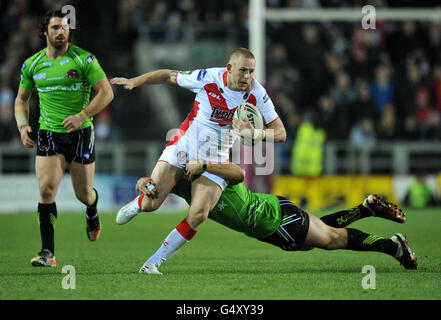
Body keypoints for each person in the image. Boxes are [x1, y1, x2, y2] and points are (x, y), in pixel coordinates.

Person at [111, 48, 286, 268]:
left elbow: (281, 133)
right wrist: (135, 82)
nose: (247, 77)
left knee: (199, 214)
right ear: (229, 68)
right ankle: (138, 204)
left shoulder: (257, 93)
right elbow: (167, 75)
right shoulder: (207, 78)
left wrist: (256, 134)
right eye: (243, 71)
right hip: (184, 146)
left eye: (251, 71)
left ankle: (152, 263)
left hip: (216, 159)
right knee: (152, 203)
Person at [127, 161, 416, 274]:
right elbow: (157, 187)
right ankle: (364, 209)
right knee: (316, 237)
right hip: (274, 215)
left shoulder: (213, 175)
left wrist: (205, 164)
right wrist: (145, 182)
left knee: (331, 240)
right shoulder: (184, 186)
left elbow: (237, 173)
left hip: (277, 222)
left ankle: (395, 247)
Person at [14, 10, 114, 267]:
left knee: (83, 194)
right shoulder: (32, 64)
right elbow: (21, 100)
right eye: (56, 27)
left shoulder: (84, 60)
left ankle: (92, 210)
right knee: (47, 189)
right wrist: (23, 125)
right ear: (44, 31)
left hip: (81, 134)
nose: (61, 32)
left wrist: (82, 115)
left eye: (65, 27)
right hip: (48, 133)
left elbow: (106, 93)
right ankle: (47, 252)